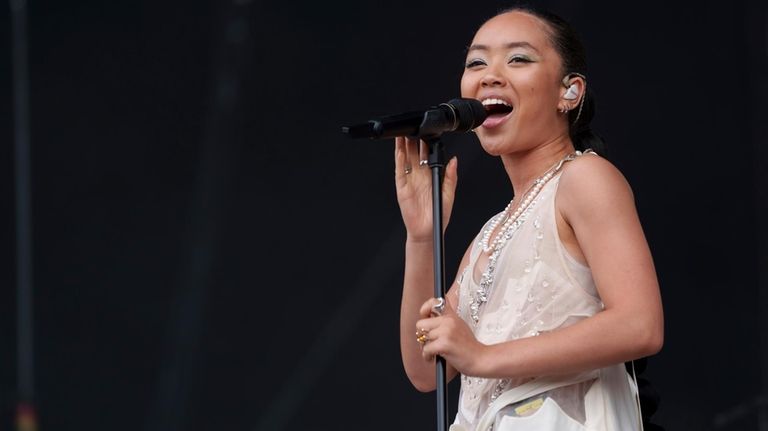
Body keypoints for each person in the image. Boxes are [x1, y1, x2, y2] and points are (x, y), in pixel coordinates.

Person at [394, 7, 664, 431]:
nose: (490, 75)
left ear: (569, 92)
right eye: (476, 62)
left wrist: (483, 358)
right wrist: (422, 239)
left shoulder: (585, 178)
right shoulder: (491, 233)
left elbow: (640, 324)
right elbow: (427, 371)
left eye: (517, 59)